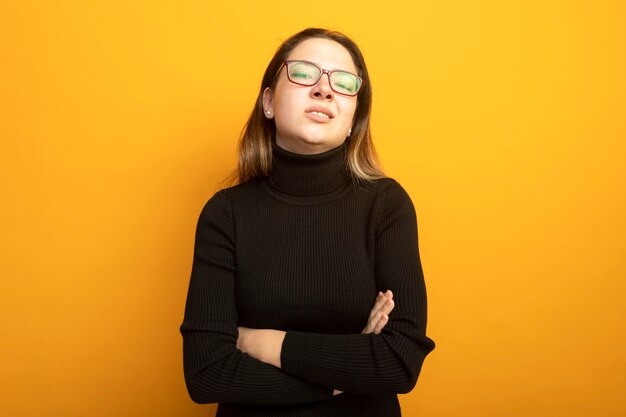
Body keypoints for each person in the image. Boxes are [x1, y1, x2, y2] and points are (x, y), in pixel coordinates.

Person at [180, 27, 435, 416]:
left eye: (343, 82)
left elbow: (398, 362)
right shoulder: (225, 213)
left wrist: (263, 343)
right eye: (303, 73)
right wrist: (344, 374)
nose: (324, 89)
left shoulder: (387, 205)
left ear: (354, 117)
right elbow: (207, 373)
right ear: (268, 101)